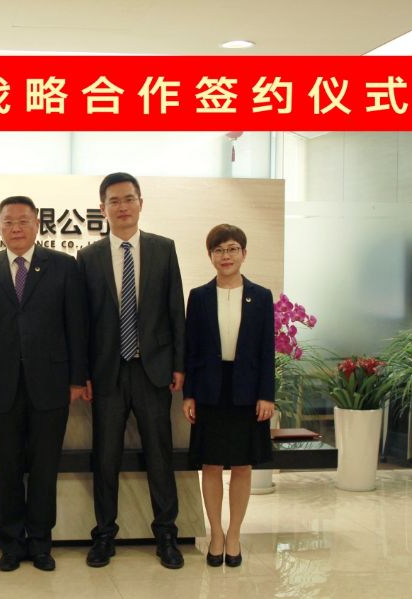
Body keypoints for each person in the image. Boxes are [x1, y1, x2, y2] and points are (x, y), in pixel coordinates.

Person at [0, 195, 87, 572]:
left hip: (51, 383)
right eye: (8, 222)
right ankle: (10, 543)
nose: (16, 228)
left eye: (23, 221)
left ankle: (40, 543)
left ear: (37, 224)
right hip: (0, 386)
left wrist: (76, 378)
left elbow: (76, 326)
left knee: (44, 467)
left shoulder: (63, 266)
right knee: (6, 468)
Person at [77, 172, 186, 569]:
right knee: (105, 457)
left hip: (152, 370)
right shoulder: (88, 257)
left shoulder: (163, 249)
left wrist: (179, 365)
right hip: (107, 372)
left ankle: (166, 535)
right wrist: (83, 373)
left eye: (128, 199)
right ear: (102, 208)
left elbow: (175, 310)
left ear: (141, 203)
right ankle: (104, 535)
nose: (122, 207)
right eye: (114, 201)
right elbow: (82, 322)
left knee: (160, 455)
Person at [182, 223, 274, 568]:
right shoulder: (199, 296)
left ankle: (234, 534)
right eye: (219, 250)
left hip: (247, 390)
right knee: (210, 463)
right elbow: (191, 350)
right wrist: (189, 394)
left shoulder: (261, 296)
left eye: (232, 249)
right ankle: (216, 534)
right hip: (210, 389)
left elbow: (266, 350)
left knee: (242, 464)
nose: (226, 256)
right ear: (210, 256)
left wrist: (267, 394)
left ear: (244, 254)